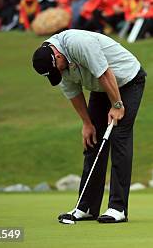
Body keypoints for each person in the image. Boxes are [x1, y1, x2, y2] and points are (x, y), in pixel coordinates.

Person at [32, 29, 146, 223]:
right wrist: (87, 123)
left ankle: (118, 208)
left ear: (57, 55)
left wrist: (117, 105)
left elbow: (104, 73)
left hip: (126, 80)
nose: (58, 73)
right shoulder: (55, 64)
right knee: (92, 142)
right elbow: (73, 93)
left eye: (57, 68)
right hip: (101, 87)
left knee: (119, 137)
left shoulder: (79, 43)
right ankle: (86, 207)